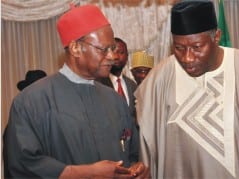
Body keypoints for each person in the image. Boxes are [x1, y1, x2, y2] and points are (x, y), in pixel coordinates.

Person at [134, 1, 239, 178]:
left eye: (197, 47)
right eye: (179, 48)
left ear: (216, 37)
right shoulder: (160, 79)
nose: (188, 58)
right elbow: (147, 145)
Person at [3, 4, 149, 178]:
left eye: (113, 49)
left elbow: (131, 152)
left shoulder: (114, 99)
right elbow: (21, 164)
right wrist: (86, 173)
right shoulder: (31, 101)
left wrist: (136, 169)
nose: (112, 56)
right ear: (75, 48)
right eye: (104, 49)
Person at [97, 37, 137, 123]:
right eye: (113, 51)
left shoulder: (132, 85)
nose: (116, 56)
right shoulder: (98, 84)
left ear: (127, 57)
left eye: (121, 52)